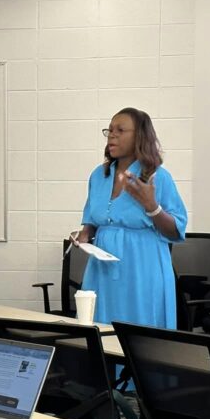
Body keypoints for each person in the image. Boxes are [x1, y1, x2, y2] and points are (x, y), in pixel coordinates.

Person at [72, 107, 187, 328]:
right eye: (110, 130)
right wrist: (85, 234)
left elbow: (176, 230)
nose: (112, 135)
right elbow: (93, 221)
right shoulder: (99, 175)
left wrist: (152, 207)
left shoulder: (158, 177)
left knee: (139, 335)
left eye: (120, 130)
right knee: (99, 328)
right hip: (102, 269)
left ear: (139, 137)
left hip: (141, 267)